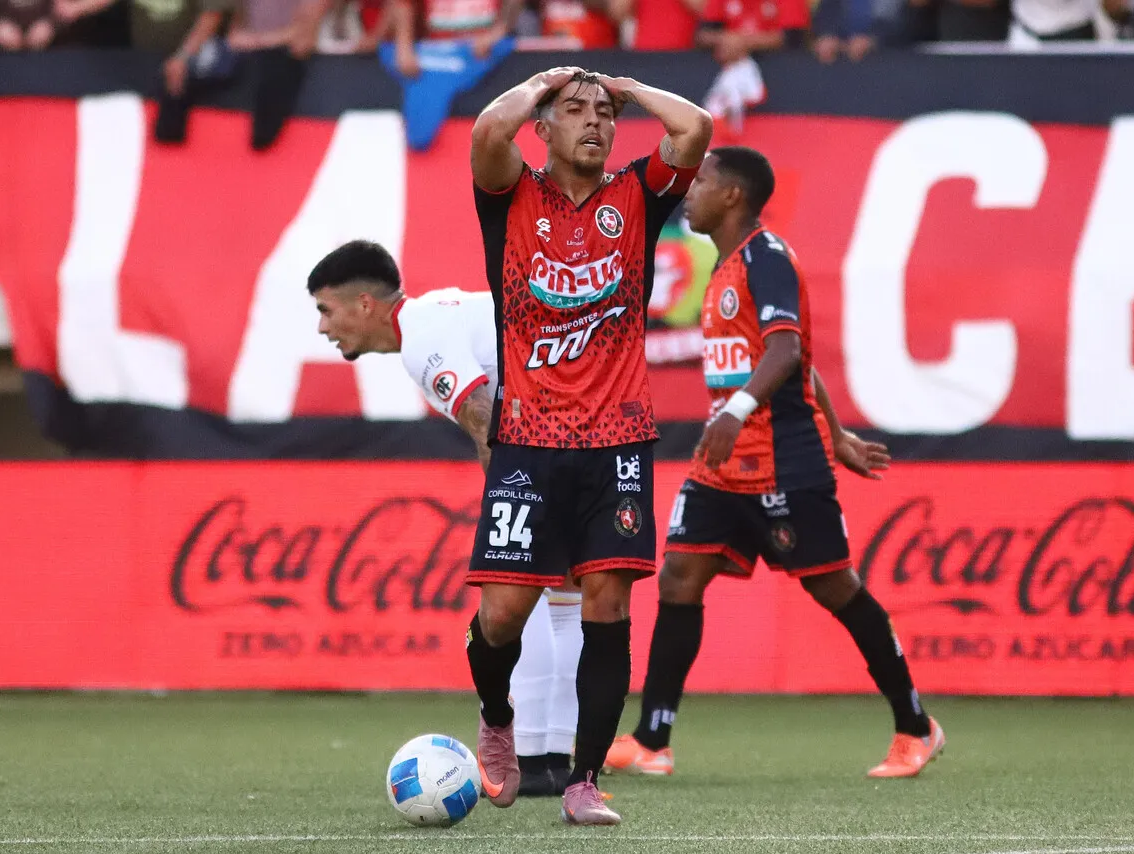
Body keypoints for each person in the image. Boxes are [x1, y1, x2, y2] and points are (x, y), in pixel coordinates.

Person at [603, 146, 946, 780]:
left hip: (782, 459)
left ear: (732, 195)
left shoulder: (767, 258)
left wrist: (740, 412)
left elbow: (787, 350)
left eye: (702, 181)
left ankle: (916, 725)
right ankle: (652, 740)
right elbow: (796, 361)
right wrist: (838, 432)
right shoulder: (726, 264)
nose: (689, 192)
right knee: (680, 575)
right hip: (723, 462)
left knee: (833, 587)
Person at [466, 67, 712, 825]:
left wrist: (627, 86)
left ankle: (584, 779)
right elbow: (488, 131)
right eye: (574, 111)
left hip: (618, 438)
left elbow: (695, 129)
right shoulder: (513, 194)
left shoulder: (637, 195)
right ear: (543, 128)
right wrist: (542, 83)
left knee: (608, 602)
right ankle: (497, 717)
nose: (594, 121)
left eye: (604, 112)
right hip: (528, 439)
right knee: (502, 616)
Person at [305, 239, 584, 799]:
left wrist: (510, 499)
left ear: (364, 304)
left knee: (518, 584)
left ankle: (533, 756)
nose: (322, 327)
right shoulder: (438, 313)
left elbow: (483, 419)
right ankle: (554, 758)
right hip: (581, 416)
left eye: (326, 310)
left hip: (552, 433)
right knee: (565, 593)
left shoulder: (422, 341)